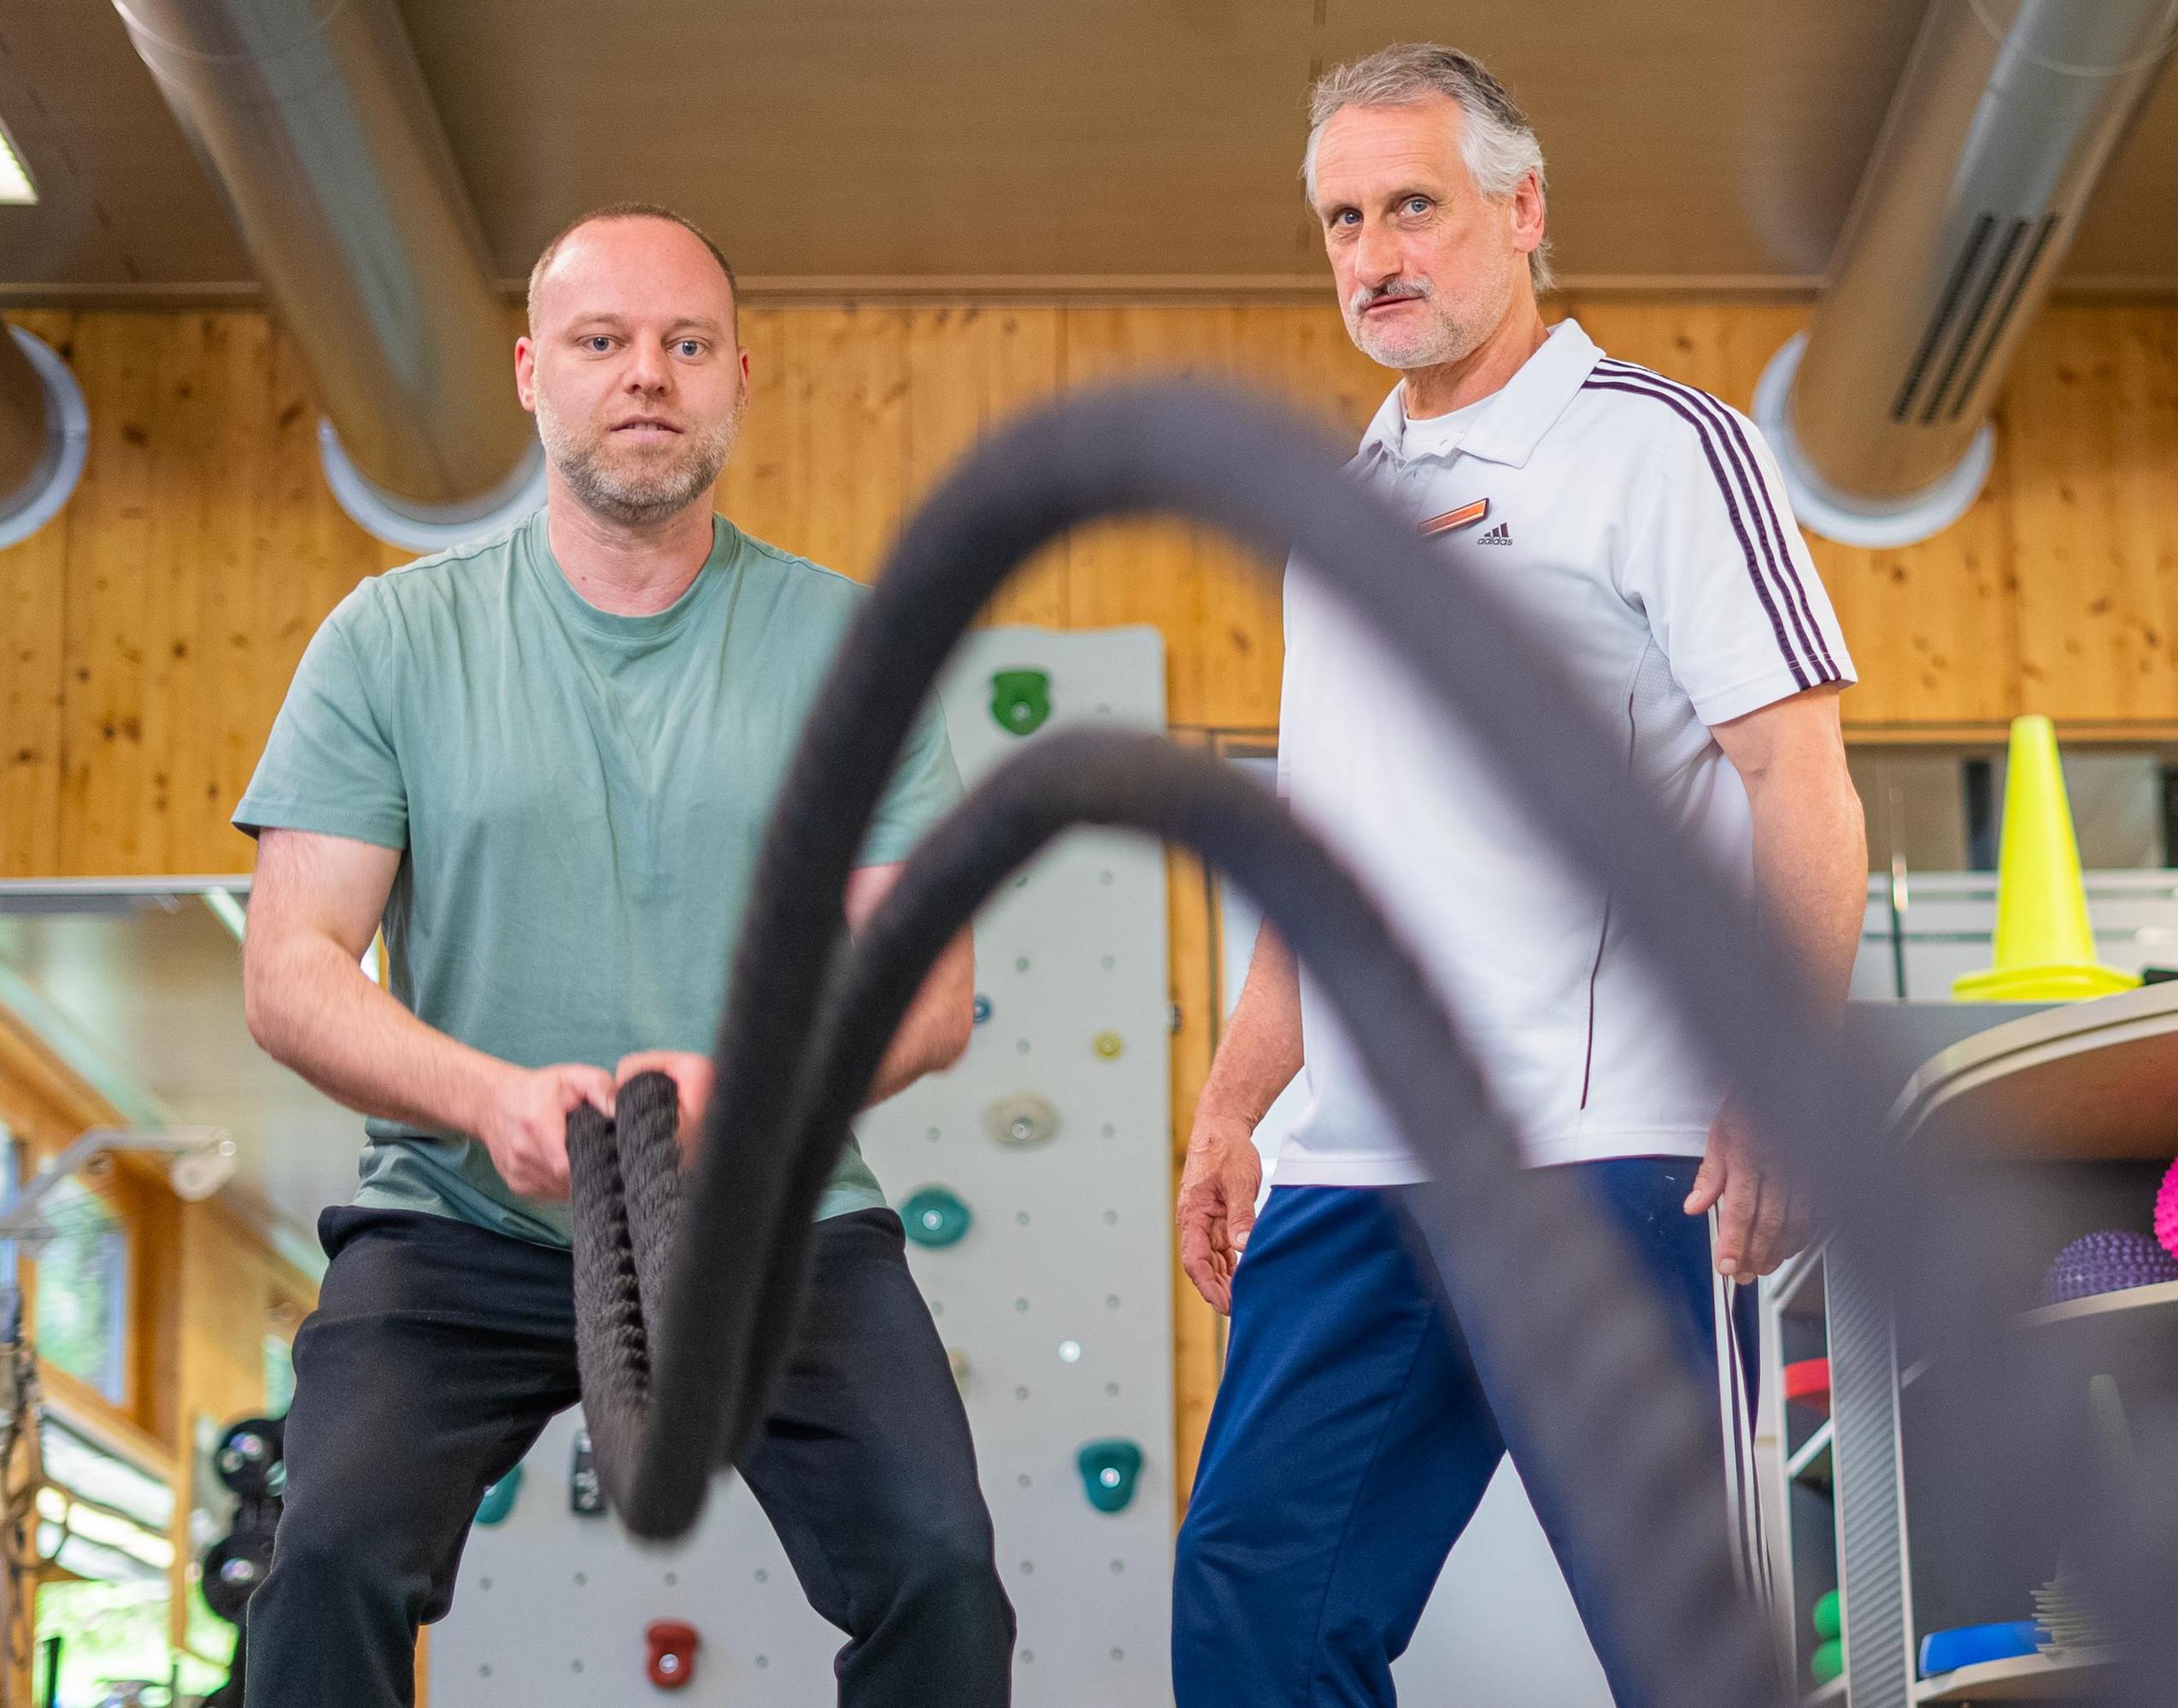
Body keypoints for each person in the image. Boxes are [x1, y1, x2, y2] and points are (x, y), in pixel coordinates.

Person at [232, 204, 1013, 1706]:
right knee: (324, 1556)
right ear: (533, 372)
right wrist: (488, 1101)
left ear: (735, 377)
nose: (645, 374)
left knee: (937, 1565)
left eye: (685, 344)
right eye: (603, 342)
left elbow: (927, 992)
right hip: (459, 1215)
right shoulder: (392, 641)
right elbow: (293, 969)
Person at [1171, 43, 1868, 1706]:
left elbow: (1801, 782)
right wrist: (1230, 1103)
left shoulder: (1661, 449)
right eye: (1342, 220)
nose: (1375, 255)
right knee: (1253, 1602)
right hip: (1356, 1168)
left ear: (1522, 207)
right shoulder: (1347, 500)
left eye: (1413, 205)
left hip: (1601, 1149)